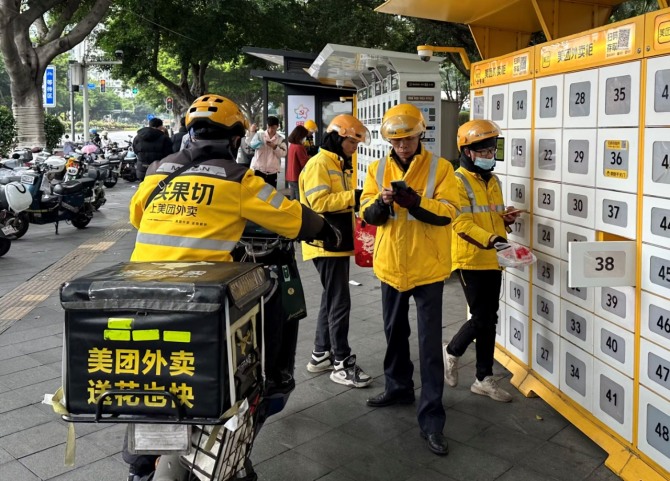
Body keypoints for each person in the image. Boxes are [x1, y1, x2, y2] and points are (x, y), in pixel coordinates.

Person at [126, 94, 341, 481]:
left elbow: (137, 216)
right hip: (202, 300)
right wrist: (326, 229)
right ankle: (265, 386)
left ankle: (141, 459)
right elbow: (292, 219)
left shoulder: (159, 171)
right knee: (266, 295)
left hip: (141, 294)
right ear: (236, 138)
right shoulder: (237, 178)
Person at [359, 103, 459, 456]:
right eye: (397, 140)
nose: (403, 146)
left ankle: (432, 419)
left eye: (409, 139)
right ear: (389, 139)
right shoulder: (377, 168)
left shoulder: (441, 168)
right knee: (394, 333)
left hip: (428, 267)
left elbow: (448, 214)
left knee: (430, 345)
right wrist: (383, 204)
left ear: (421, 135)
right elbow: (367, 213)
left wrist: (415, 202)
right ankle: (398, 386)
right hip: (390, 266)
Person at [442, 119, 520, 403]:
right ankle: (452, 350)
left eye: (491, 150)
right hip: (470, 257)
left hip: (495, 256)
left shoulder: (494, 180)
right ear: (467, 151)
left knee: (490, 318)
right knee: (482, 317)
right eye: (483, 151)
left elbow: (491, 216)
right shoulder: (456, 180)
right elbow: (460, 222)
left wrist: (505, 222)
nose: (489, 156)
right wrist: (490, 239)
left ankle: (482, 378)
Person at [299, 114, 372, 388]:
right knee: (339, 301)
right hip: (325, 242)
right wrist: (356, 196)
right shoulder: (320, 163)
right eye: (352, 142)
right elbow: (319, 202)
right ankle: (341, 362)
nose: (355, 147)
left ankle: (320, 354)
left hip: (335, 241)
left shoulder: (338, 163)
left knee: (332, 298)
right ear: (338, 138)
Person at [249, 116, 286, 187]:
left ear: (277, 126)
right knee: (257, 193)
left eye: (273, 128)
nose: (270, 130)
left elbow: (283, 153)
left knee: (271, 195)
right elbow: (251, 145)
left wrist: (274, 147)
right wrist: (257, 143)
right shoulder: (259, 135)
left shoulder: (280, 139)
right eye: (269, 127)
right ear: (266, 125)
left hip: (272, 171)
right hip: (259, 170)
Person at [286, 124, 310, 199]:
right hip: (297, 176)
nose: (305, 138)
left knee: (292, 196)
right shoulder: (299, 147)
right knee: (299, 198)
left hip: (290, 176)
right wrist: (310, 158)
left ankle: (291, 210)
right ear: (300, 136)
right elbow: (304, 163)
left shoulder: (292, 145)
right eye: (304, 136)